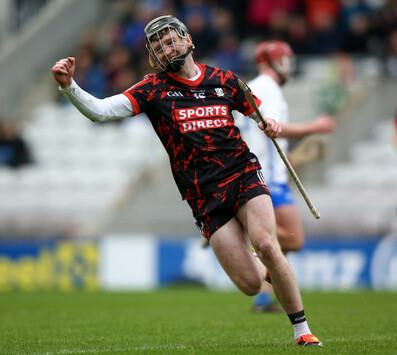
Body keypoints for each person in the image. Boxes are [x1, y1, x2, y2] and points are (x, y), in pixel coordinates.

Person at [51, 15, 322, 346]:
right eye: (158, 46)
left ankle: (302, 332)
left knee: (267, 244)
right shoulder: (152, 88)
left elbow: (261, 114)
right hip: (203, 196)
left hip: (242, 174)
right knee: (251, 285)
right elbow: (101, 111)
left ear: (187, 40)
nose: (166, 49)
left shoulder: (225, 80)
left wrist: (272, 124)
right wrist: (69, 86)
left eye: (169, 41)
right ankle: (265, 267)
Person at [234, 40, 335, 313]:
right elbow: (275, 127)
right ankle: (244, 232)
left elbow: (259, 133)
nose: (288, 66)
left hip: (262, 170)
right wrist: (317, 126)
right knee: (293, 239)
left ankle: (264, 299)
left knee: (280, 245)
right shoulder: (269, 87)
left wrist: (282, 158)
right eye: (286, 60)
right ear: (275, 61)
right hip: (268, 177)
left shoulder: (256, 86)